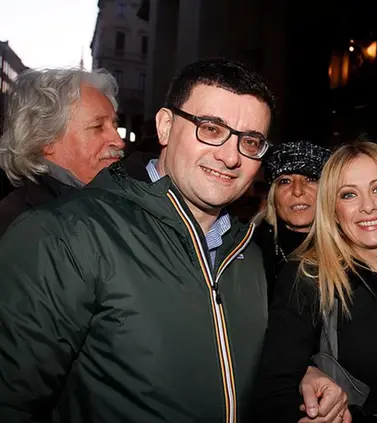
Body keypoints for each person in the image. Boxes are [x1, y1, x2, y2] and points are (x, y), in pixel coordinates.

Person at [0, 58, 348, 423]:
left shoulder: (248, 251)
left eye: (250, 141)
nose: (231, 156)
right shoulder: (64, 234)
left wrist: (302, 377)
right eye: (211, 129)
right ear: (166, 126)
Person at [254, 141, 377, 423]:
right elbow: (274, 392)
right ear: (333, 209)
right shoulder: (309, 277)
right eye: (349, 194)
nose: (367, 206)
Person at [0, 67, 125, 236]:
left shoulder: (118, 203)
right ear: (46, 139)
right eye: (98, 127)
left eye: (115, 126)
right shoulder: (19, 229)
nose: (119, 141)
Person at [253, 140, 332, 298]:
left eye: (310, 179)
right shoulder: (249, 251)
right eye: (285, 181)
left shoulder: (351, 251)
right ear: (273, 196)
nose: (297, 191)